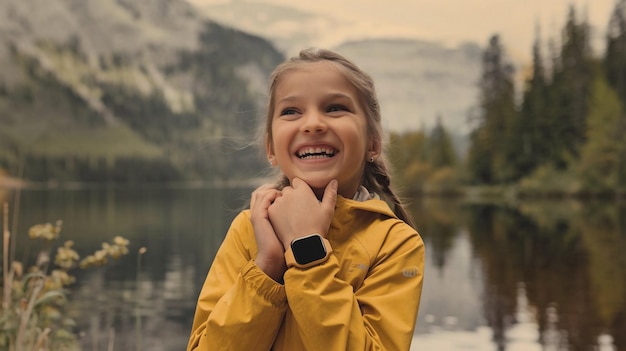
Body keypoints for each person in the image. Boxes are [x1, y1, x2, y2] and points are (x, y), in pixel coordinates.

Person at [187, 48, 425, 351]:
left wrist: (309, 251)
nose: (312, 123)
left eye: (335, 108)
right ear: (271, 148)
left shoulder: (395, 243)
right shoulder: (249, 229)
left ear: (373, 144)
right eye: (291, 111)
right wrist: (267, 267)